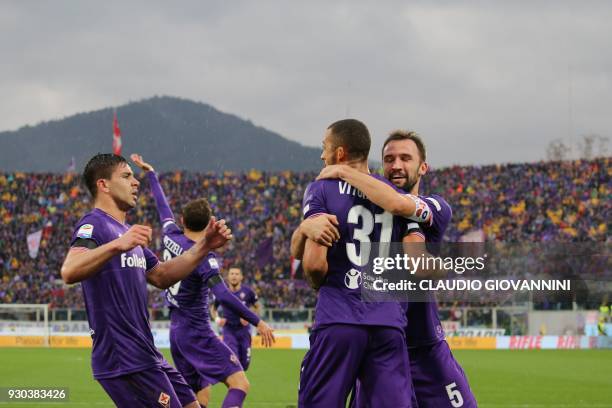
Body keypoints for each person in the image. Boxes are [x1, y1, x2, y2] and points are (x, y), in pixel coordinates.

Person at [313, 130, 478, 407]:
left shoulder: (435, 207)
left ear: (423, 167)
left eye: (405, 158)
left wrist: (341, 170)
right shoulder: (356, 210)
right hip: (378, 350)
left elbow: (399, 205)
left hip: (425, 350)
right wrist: (305, 228)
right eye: (389, 159)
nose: (396, 165)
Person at [61, 153, 232, 408]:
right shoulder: (95, 224)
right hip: (123, 358)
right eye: (127, 176)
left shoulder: (127, 233)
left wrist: (204, 245)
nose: (136, 182)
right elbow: (69, 270)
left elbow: (162, 276)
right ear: (103, 185)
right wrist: (118, 244)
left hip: (146, 352)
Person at [131, 154, 274, 408]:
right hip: (197, 332)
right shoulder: (204, 258)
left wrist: (151, 174)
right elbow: (223, 295)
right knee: (240, 384)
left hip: (176, 333)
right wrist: (258, 320)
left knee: (197, 400)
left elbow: (163, 208)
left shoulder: (171, 235)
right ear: (210, 224)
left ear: (182, 221)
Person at [291, 119, 414, 408]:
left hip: (339, 318)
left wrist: (318, 284)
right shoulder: (396, 195)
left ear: (340, 153)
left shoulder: (321, 189)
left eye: (325, 148)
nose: (322, 155)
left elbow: (315, 264)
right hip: (388, 322)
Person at [211, 267, 261, 371]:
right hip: (229, 330)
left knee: (245, 364)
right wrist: (217, 319)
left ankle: (239, 384)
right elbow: (213, 309)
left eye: (237, 274)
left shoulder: (248, 292)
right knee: (233, 360)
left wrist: (250, 318)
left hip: (244, 331)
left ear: (241, 277)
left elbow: (257, 306)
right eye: (232, 274)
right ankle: (236, 384)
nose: (234, 276)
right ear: (228, 276)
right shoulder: (222, 292)